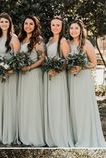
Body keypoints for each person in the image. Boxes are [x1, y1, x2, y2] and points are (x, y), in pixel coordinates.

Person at [68, 19, 106, 147]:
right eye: (71, 28)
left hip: (83, 79)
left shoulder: (86, 43)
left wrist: (81, 66)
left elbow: (94, 63)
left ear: (80, 30)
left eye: (76, 28)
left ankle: (86, 137)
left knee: (83, 107)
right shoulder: (68, 43)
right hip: (71, 79)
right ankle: (75, 135)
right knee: (73, 107)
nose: (73, 30)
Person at [44, 16, 73, 147]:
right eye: (53, 25)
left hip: (58, 76)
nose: (55, 27)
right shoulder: (49, 40)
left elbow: (67, 61)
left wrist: (56, 70)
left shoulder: (63, 41)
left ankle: (60, 136)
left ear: (62, 27)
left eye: (58, 25)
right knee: (50, 104)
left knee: (58, 105)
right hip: (48, 76)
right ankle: (50, 135)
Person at [17, 16, 45, 146]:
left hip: (33, 74)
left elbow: (42, 58)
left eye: (31, 24)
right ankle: (24, 134)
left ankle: (34, 135)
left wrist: (29, 67)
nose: (28, 26)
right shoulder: (21, 39)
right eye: (26, 23)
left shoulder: (37, 40)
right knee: (25, 104)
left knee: (33, 104)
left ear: (35, 26)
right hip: (23, 76)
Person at [0, 12, 20, 145]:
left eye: (6, 22)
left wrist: (9, 71)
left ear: (10, 24)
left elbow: (17, 59)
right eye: (1, 22)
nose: (4, 24)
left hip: (10, 75)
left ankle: (10, 132)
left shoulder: (13, 38)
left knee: (9, 102)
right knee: (0, 101)